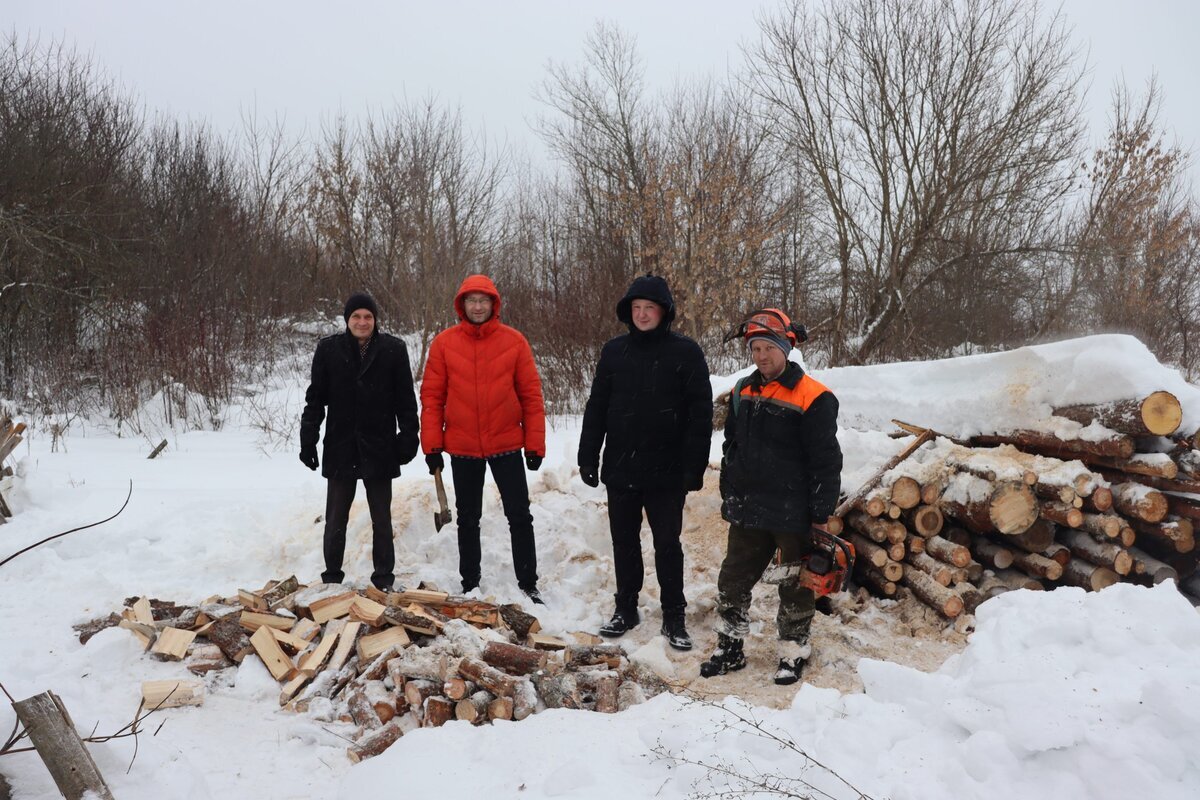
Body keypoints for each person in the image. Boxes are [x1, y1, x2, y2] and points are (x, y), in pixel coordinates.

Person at [700, 308, 842, 685]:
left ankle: (792, 650)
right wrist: (730, 489)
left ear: (785, 348)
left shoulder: (814, 396)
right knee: (732, 579)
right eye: (755, 348)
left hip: (792, 513)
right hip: (749, 509)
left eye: (768, 348)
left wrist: (820, 514)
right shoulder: (744, 390)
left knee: (795, 584)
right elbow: (731, 445)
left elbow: (826, 461)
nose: (761, 356)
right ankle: (729, 647)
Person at [578, 275, 713, 651]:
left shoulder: (685, 353)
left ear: (663, 311)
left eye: (649, 308)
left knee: (667, 544)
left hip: (667, 470)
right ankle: (626, 608)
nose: (641, 314)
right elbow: (597, 407)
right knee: (623, 541)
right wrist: (588, 455)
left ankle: (674, 615)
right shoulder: (614, 352)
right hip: (621, 465)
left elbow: (700, 415)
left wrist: (694, 466)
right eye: (636, 308)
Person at [420, 274, 547, 603]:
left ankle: (528, 583)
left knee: (519, 515)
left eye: (483, 301)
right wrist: (432, 447)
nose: (477, 307)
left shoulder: (514, 342)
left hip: (506, 443)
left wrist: (534, 444)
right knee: (467, 518)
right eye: (471, 301)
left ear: (494, 304)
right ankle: (470, 583)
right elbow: (432, 398)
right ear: (462, 305)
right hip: (463, 447)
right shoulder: (444, 344)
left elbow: (531, 396)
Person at [299, 292, 420, 591]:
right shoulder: (329, 349)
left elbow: (406, 400)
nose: (362, 322)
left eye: (368, 316)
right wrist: (308, 439)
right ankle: (331, 578)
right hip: (341, 446)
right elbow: (316, 399)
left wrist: (408, 437)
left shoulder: (393, 349)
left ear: (375, 320)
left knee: (382, 518)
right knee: (335, 518)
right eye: (356, 316)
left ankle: (383, 579)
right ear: (347, 320)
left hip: (379, 447)